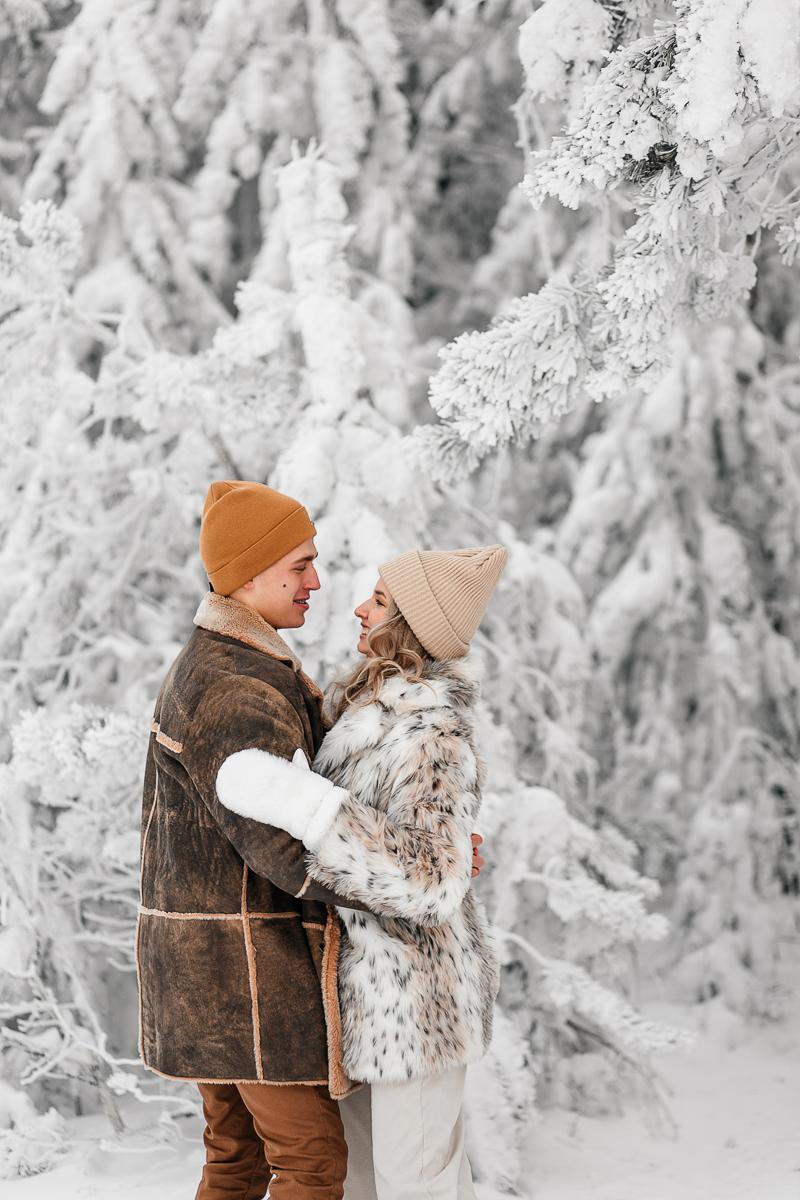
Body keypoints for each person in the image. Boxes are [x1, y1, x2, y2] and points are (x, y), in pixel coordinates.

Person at [215, 544, 507, 1200]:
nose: (357, 607)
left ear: (411, 624)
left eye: (377, 600)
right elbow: (425, 852)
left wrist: (315, 812)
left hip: (416, 1003)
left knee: (416, 1188)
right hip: (356, 1000)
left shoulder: (432, 732)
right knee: (368, 1186)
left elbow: (428, 879)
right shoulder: (368, 714)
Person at [136, 479, 374, 1200]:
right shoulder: (236, 686)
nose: (317, 581)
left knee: (235, 1162)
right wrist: (402, 876)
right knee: (308, 1164)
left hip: (207, 966)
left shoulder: (223, 662)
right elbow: (278, 842)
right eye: (298, 564)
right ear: (245, 574)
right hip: (247, 973)